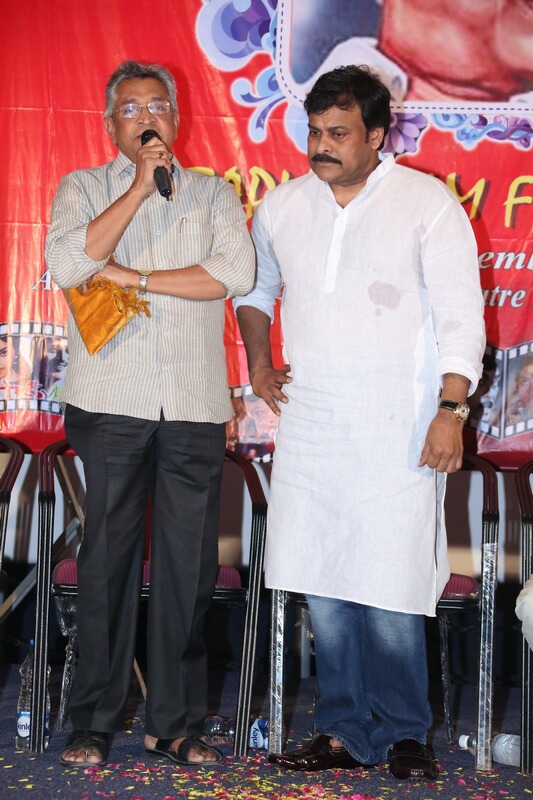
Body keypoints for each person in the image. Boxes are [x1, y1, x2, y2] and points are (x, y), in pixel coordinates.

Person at [233, 65, 485, 780]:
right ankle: (343, 731)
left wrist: (449, 408)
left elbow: (462, 316)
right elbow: (256, 288)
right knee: (325, 584)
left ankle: (406, 733)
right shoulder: (282, 206)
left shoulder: (425, 204)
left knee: (390, 585)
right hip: (312, 426)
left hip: (398, 427)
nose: (321, 145)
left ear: (377, 134)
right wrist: (258, 360)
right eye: (314, 131)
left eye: (338, 133)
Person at [45, 60, 255, 768]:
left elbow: (234, 275)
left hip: (194, 404)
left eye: (157, 105)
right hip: (109, 403)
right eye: (130, 108)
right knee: (105, 562)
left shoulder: (213, 194)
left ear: (177, 119)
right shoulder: (82, 189)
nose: (146, 116)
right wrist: (137, 189)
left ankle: (176, 721)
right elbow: (71, 265)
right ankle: (94, 720)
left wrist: (132, 278)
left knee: (188, 568)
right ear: (111, 126)